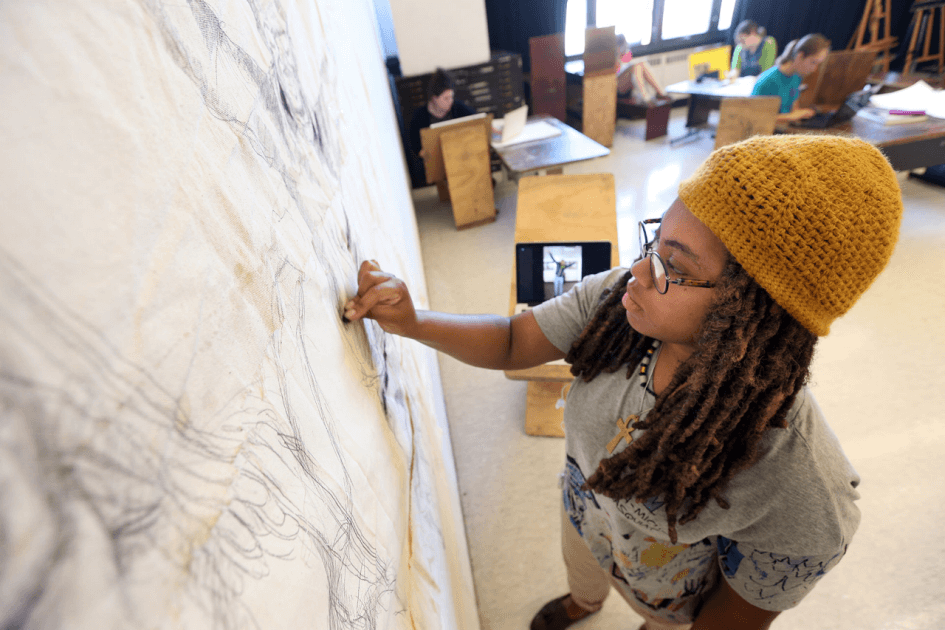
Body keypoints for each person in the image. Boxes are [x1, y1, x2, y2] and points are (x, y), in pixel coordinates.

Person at [344, 135, 902, 630]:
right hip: (585, 508)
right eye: (655, 242)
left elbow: (731, 621)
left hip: (668, 590)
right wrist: (413, 323)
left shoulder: (797, 480)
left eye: (674, 266)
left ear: (753, 312)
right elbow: (514, 341)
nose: (638, 271)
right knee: (582, 567)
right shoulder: (621, 303)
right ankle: (584, 601)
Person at [407, 67, 475, 183]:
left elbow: (476, 119)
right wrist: (425, 154)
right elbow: (414, 143)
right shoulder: (420, 116)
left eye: (451, 97)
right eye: (446, 98)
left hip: (462, 155)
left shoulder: (457, 107)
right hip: (438, 162)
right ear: (434, 99)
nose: (450, 101)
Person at [751, 33, 830, 124]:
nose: (814, 69)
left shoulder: (796, 77)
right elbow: (755, 118)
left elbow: (793, 109)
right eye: (813, 62)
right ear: (800, 56)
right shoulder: (767, 80)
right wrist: (792, 116)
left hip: (784, 128)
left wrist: (802, 114)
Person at [616, 34, 669, 106]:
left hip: (626, 84)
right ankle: (645, 97)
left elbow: (627, 62)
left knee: (641, 63)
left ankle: (660, 93)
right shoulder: (611, 56)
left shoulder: (625, 54)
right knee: (636, 66)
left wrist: (622, 56)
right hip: (616, 86)